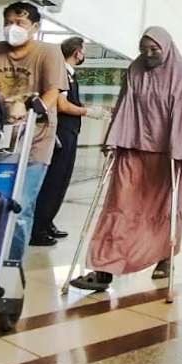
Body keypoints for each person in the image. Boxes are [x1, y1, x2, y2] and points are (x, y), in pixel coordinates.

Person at [70, 27, 182, 290]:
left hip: (166, 153)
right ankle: (104, 268)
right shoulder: (135, 69)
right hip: (132, 147)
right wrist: (114, 139)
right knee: (120, 205)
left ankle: (164, 257)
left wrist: (179, 148)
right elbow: (124, 104)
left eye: (154, 50)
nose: (149, 55)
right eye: (144, 50)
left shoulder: (181, 74)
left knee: (163, 209)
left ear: (167, 48)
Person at [0, 1, 66, 261]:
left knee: (20, 204)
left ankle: (11, 263)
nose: (13, 28)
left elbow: (53, 92)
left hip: (34, 140)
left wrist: (30, 108)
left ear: (34, 27)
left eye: (20, 23)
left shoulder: (48, 52)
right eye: (8, 22)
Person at [32, 37, 105, 246]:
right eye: (83, 51)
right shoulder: (61, 72)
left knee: (62, 180)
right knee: (53, 180)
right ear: (76, 52)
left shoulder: (71, 75)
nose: (84, 55)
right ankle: (38, 228)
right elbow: (62, 105)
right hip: (60, 132)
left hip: (70, 131)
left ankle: (47, 222)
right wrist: (88, 111)